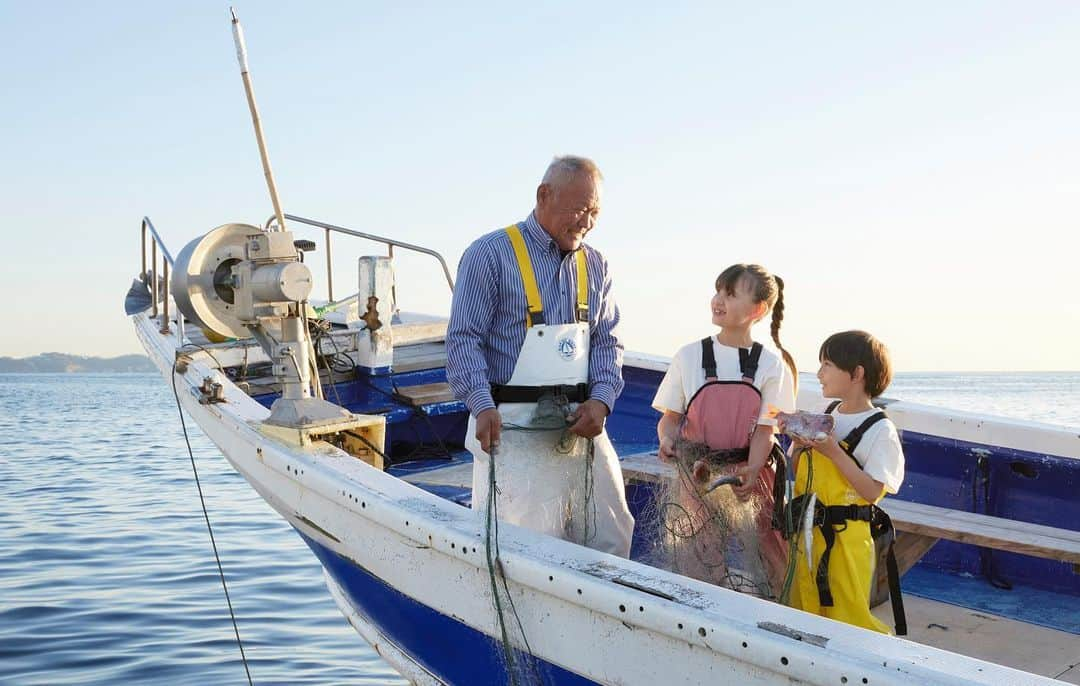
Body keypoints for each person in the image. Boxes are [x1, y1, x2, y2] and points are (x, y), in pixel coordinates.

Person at [445, 156, 634, 558]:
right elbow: (464, 340)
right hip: (511, 427)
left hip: (579, 425)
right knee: (528, 544)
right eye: (580, 210)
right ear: (543, 195)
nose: (587, 222)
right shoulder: (489, 254)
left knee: (612, 530)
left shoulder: (596, 265)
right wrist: (481, 406)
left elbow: (607, 341)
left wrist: (601, 401)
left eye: (595, 212)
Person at [651, 264, 796, 596]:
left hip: (753, 473)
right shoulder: (688, 357)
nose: (718, 300)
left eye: (730, 294)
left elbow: (765, 430)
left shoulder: (772, 366)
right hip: (698, 473)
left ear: (757, 310)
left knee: (770, 556)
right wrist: (666, 440)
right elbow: (670, 418)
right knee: (698, 554)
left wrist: (754, 467)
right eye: (718, 291)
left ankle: (774, 615)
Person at [785, 330, 905, 634]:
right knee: (802, 608)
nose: (819, 373)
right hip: (807, 532)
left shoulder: (880, 430)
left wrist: (834, 452)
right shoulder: (823, 415)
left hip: (846, 540)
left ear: (857, 373)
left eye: (827, 364)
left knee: (846, 617)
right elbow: (798, 468)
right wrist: (799, 445)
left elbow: (871, 493)